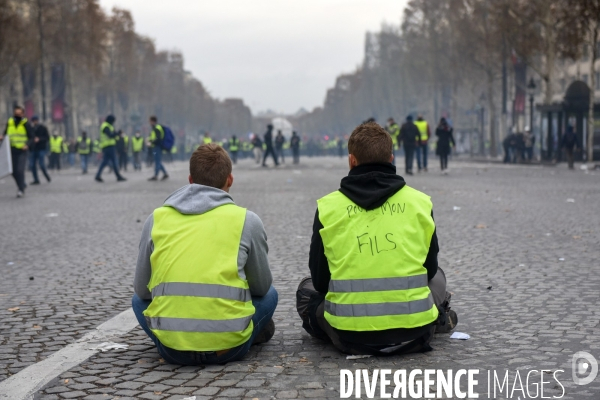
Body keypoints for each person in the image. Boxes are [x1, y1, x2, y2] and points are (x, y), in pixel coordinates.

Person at [296, 122, 457, 356]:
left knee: (306, 290)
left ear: (351, 160)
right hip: (414, 332)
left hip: (349, 335)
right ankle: (437, 316)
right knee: (438, 276)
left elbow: (321, 282)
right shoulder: (420, 203)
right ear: (391, 159)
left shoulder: (328, 207)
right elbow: (429, 269)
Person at [132, 143, 278, 365]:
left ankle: (175, 337)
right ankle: (247, 330)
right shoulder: (247, 221)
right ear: (230, 179)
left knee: (136, 301)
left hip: (172, 351)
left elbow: (142, 291)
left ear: (190, 180)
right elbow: (261, 287)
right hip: (229, 347)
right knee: (271, 295)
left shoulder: (156, 219)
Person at [1, 105, 33, 197]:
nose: (17, 115)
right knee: (12, 171)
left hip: (22, 150)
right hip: (11, 150)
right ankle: (22, 184)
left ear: (23, 114)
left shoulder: (26, 123)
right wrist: (2, 137)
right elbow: (6, 134)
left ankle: (21, 189)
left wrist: (27, 145)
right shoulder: (10, 122)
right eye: (16, 113)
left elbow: (31, 137)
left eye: (19, 113)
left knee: (19, 170)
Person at [95, 115, 126, 183]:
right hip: (109, 146)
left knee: (104, 162)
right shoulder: (105, 126)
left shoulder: (109, 126)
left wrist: (117, 133)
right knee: (114, 161)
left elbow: (113, 133)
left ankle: (98, 175)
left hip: (107, 146)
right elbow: (110, 135)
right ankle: (118, 176)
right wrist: (117, 133)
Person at [29, 115, 51, 185]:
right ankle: (36, 179)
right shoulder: (31, 129)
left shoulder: (43, 128)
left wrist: (39, 139)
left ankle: (46, 175)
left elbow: (47, 138)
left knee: (41, 164)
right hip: (33, 149)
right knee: (32, 165)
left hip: (41, 148)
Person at [147, 116, 169, 181]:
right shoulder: (157, 127)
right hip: (157, 146)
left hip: (157, 147)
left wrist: (151, 142)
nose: (149, 123)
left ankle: (155, 175)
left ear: (152, 121)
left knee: (157, 161)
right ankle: (165, 173)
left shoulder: (156, 128)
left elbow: (158, 138)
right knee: (158, 161)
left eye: (150, 121)